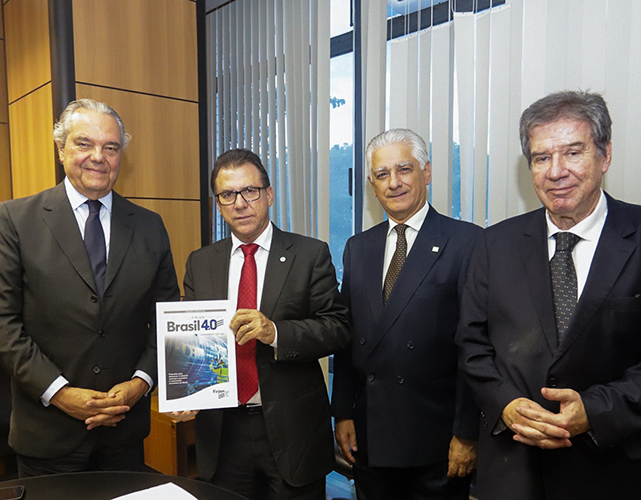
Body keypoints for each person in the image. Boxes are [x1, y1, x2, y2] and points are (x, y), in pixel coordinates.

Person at [456, 90, 641, 499]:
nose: (556, 171)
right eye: (541, 158)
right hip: (512, 470)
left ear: (605, 155)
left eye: (573, 152)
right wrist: (505, 404)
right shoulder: (494, 244)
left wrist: (594, 412)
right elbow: (471, 344)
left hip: (614, 472)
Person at [0, 98, 180, 477]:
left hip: (124, 433)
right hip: (47, 435)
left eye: (110, 147)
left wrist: (140, 383)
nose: (98, 156)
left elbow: (167, 319)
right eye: (84, 143)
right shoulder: (15, 220)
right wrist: (61, 394)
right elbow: (5, 325)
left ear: (120, 156)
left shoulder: (150, 226)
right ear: (61, 149)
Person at [183, 148, 350, 500]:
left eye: (250, 191)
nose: (240, 203)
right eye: (228, 195)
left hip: (292, 431)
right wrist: (186, 383)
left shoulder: (309, 254)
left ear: (269, 194)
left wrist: (275, 332)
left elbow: (337, 327)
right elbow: (195, 340)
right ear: (218, 204)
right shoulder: (200, 263)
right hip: (223, 432)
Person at [332, 129, 480, 500]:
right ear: (371, 183)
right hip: (371, 435)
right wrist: (344, 413)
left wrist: (466, 433)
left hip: (436, 440)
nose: (394, 183)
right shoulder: (358, 247)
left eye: (404, 170)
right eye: (382, 175)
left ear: (426, 172)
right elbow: (349, 336)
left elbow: (475, 347)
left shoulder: (467, 242)